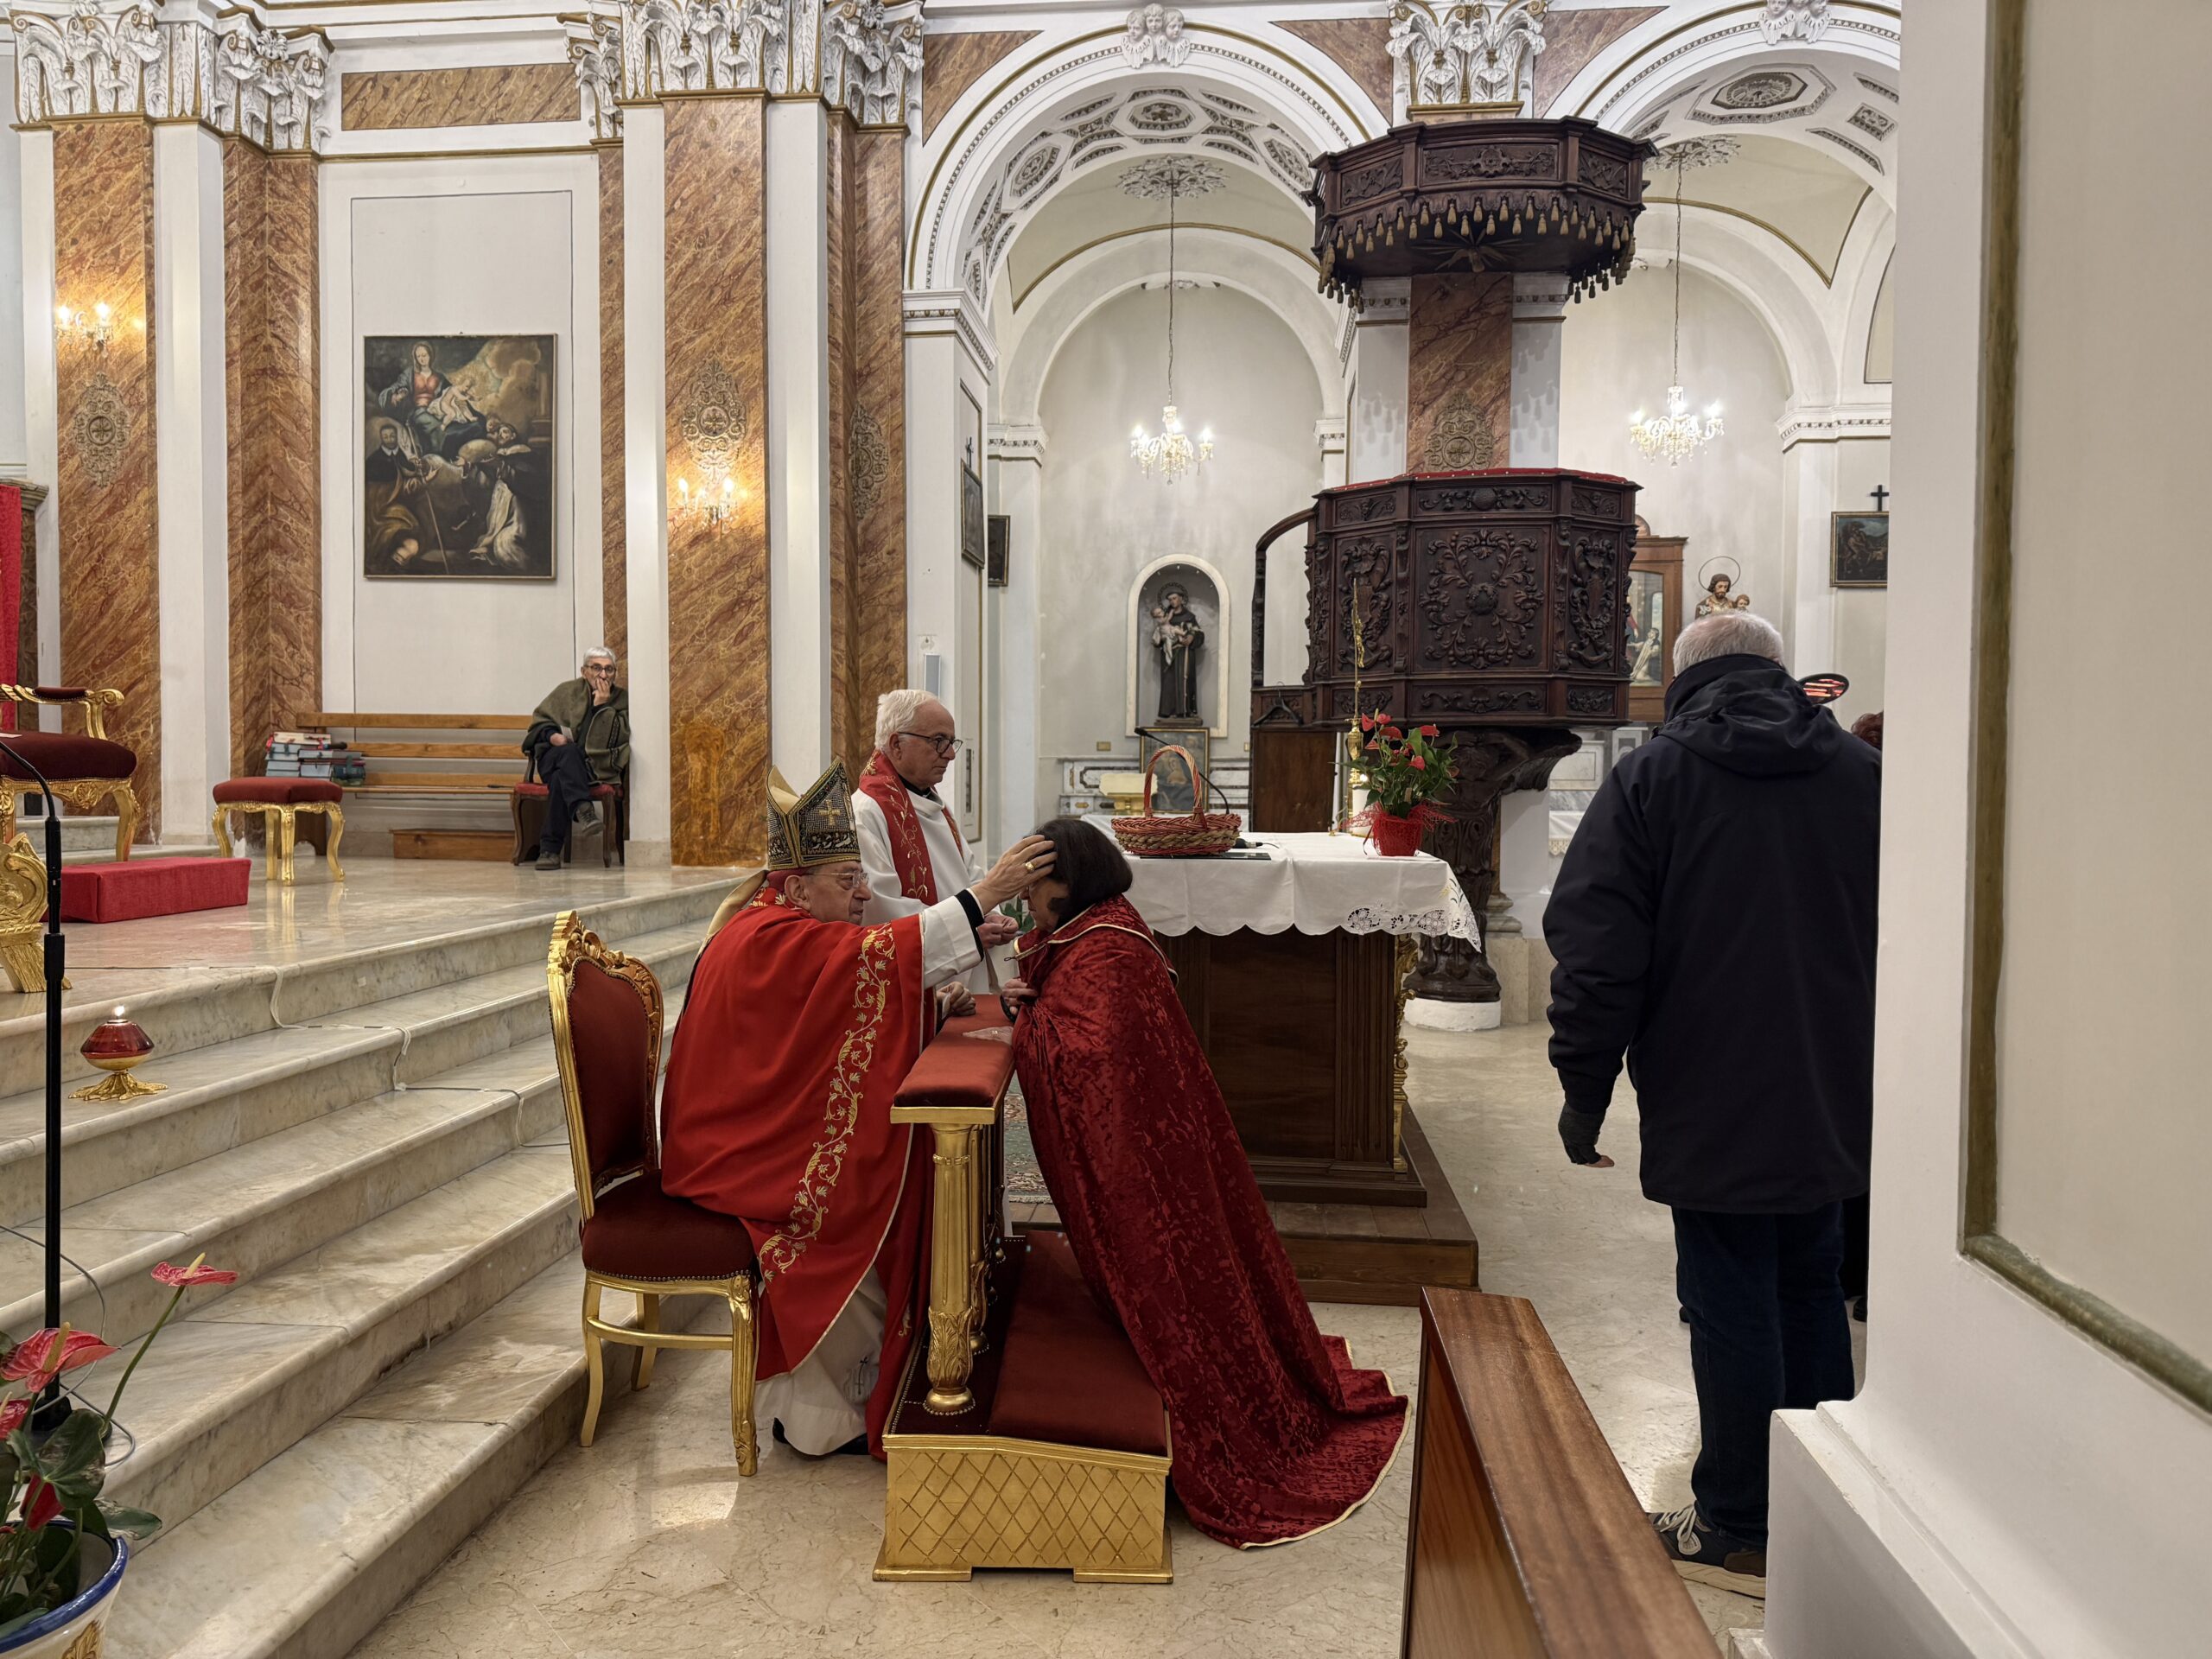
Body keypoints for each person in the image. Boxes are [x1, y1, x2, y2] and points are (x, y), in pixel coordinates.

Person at [1543, 610, 1878, 1599]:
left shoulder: (1654, 778)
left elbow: (1599, 950)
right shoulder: (1862, 779)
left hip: (1711, 1082)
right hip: (1831, 1079)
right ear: (1779, 674)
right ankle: (1816, 1506)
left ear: (1682, 678)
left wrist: (1583, 1087)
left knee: (1728, 1290)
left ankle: (1737, 1519)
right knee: (1811, 1282)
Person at [1000, 818, 1407, 1548]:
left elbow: (1092, 1056)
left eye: (1035, 882)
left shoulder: (1108, 950)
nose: (1028, 896)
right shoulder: (1096, 928)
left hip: (1147, 1170)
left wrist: (1027, 1028)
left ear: (1067, 883)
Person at [658, 764, 1053, 1457]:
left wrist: (928, 1004)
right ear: (794, 885)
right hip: (738, 1151)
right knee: (860, 1199)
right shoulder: (768, 936)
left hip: (752, 1122)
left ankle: (863, 1379)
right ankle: (814, 1413)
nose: (864, 894)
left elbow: (821, 1017)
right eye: (848, 881)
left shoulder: (777, 925)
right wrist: (985, 892)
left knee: (889, 1172)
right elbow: (872, 960)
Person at [522, 650, 630, 870]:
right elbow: (539, 724)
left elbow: (607, 740)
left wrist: (602, 707)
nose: (603, 675)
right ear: (584, 671)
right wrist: (552, 735)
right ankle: (584, 809)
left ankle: (550, 850)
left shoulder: (621, 699)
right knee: (568, 754)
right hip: (554, 757)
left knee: (565, 774)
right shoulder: (567, 691)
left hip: (593, 765)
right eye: (596, 668)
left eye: (609, 669)